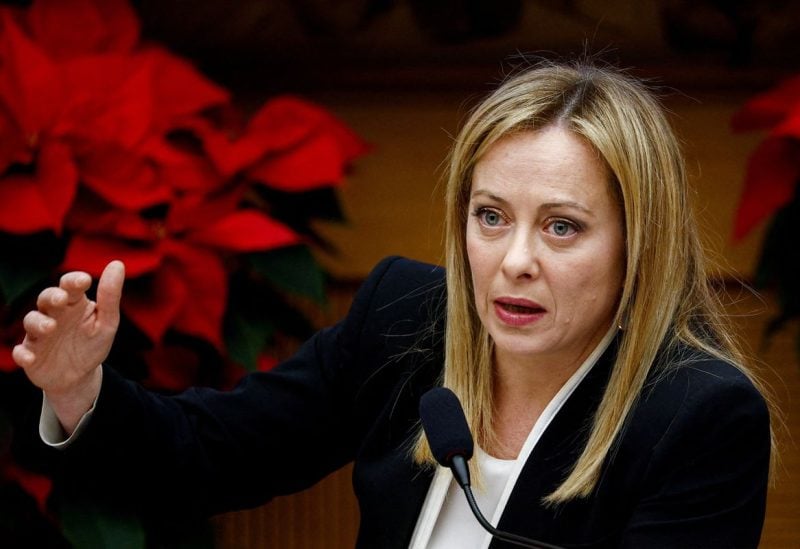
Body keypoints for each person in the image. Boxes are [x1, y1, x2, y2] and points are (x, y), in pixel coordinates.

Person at [13, 59, 775, 548]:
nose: (515, 261)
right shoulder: (406, 316)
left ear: (637, 246)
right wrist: (80, 389)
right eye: (491, 216)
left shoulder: (696, 416)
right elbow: (212, 452)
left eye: (562, 227)